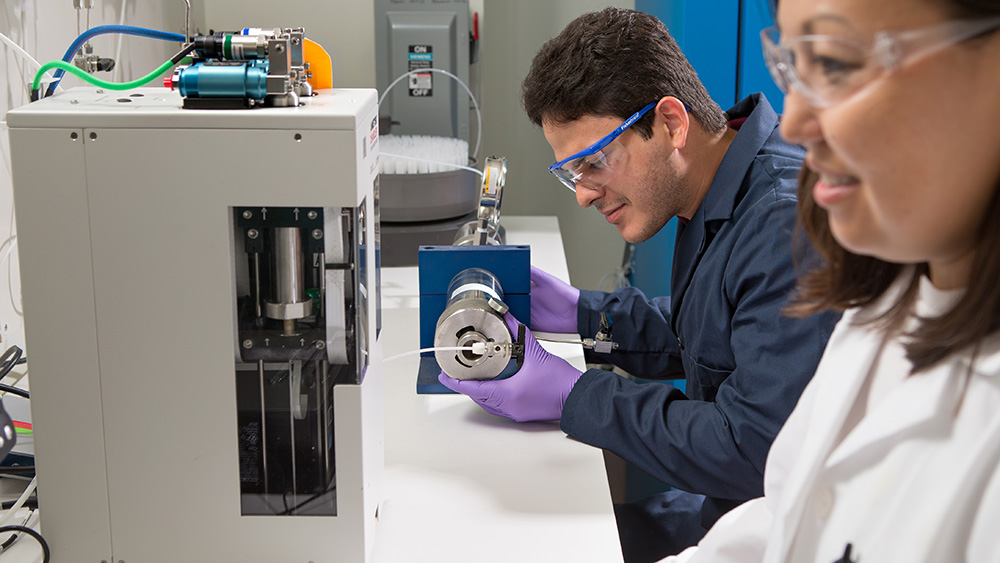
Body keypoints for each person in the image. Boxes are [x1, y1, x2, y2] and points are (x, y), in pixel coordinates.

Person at [438, 7, 841, 561]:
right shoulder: (721, 190)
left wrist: (575, 396)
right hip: (722, 505)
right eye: (571, 174)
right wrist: (582, 315)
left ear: (672, 124)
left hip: (767, 528)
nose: (582, 193)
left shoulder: (782, 227)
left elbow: (752, 448)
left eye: (595, 161)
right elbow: (708, 336)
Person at [658, 0, 1000, 561]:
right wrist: (586, 318)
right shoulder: (882, 310)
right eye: (794, 68)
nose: (793, 123)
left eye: (835, 64)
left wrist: (578, 393)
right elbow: (790, 511)